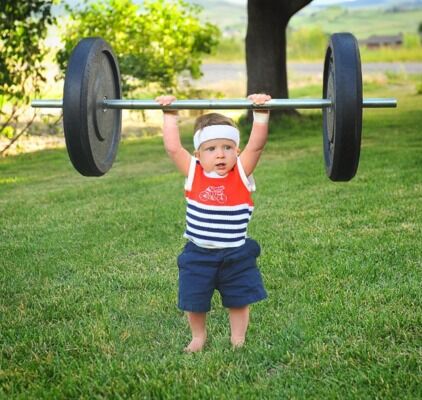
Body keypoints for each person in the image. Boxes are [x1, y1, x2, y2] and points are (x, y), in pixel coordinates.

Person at [155, 93, 271, 352]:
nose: (220, 155)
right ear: (198, 153)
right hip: (198, 254)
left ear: (236, 151)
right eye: (211, 149)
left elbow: (257, 146)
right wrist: (170, 115)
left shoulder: (241, 173)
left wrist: (260, 114)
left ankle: (238, 339)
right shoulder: (194, 172)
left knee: (238, 300)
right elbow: (173, 148)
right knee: (193, 301)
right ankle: (198, 337)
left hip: (236, 253)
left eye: (227, 147)